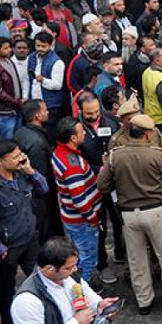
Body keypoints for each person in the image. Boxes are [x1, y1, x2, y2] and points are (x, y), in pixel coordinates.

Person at [97, 114, 162, 315]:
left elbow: (102, 185)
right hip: (155, 211)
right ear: (147, 134)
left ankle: (144, 301)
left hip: (129, 214)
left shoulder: (115, 155)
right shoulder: (157, 154)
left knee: (137, 260)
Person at [0, 139, 46, 324]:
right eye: (15, 156)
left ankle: (41, 319)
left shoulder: (21, 174)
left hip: (30, 239)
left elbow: (44, 189)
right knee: (7, 287)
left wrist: (31, 172)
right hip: (8, 248)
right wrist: (0, 249)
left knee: (40, 280)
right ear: (0, 161)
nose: (21, 158)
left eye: (19, 153)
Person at [51, 117, 102, 285]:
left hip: (70, 216)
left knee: (78, 253)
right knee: (87, 257)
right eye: (82, 131)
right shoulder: (72, 165)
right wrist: (93, 218)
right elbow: (79, 199)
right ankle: (82, 291)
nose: (85, 133)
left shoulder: (59, 152)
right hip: (81, 220)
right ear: (73, 138)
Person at [16, 100, 64, 243]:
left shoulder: (22, 132)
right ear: (37, 115)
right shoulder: (37, 143)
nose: (48, 112)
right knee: (47, 231)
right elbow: (40, 176)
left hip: (34, 193)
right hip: (42, 197)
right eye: (45, 110)